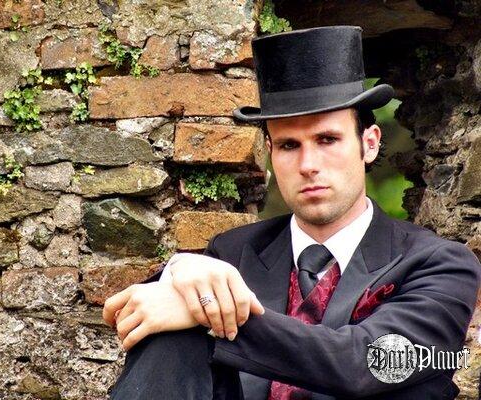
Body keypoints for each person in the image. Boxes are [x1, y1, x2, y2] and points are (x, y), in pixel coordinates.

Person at [102, 26, 481, 399]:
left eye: (327, 139)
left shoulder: (441, 263)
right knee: (171, 331)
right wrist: (181, 268)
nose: (308, 165)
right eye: (288, 145)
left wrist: (213, 316)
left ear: (369, 144)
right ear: (269, 153)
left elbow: (373, 362)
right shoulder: (232, 252)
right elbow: (142, 314)